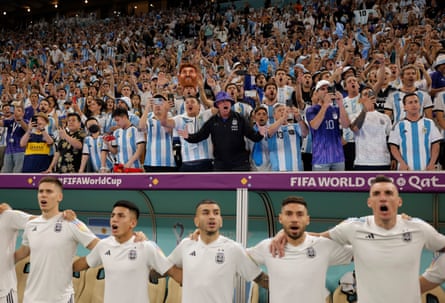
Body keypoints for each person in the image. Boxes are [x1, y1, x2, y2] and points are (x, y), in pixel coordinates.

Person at [270, 175, 445, 303]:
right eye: (376, 194)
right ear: (369, 202)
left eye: (388, 193)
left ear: (399, 201)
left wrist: (432, 276)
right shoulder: (354, 227)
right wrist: (284, 233)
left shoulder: (418, 228)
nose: (383, 197)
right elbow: (317, 238)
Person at [73, 200, 182, 303]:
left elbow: (172, 271)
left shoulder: (146, 246)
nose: (114, 219)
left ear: (132, 223)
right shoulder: (103, 245)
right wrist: (61, 266)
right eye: (112, 215)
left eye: (121, 216)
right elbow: (83, 263)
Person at [247, 196, 352, 303]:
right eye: (288, 214)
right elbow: (241, 258)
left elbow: (360, 249)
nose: (294, 219)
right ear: (280, 218)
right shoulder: (268, 246)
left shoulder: (324, 245)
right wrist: (260, 278)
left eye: (300, 214)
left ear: (307, 219)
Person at [14, 177, 99, 303]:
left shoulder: (72, 223)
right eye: (41, 191)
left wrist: (84, 262)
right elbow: (24, 251)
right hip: (31, 298)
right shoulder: (31, 225)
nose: (43, 195)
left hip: (60, 298)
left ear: (59, 197)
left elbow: (101, 247)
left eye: (49, 191)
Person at [167, 199, 268, 303]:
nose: (211, 216)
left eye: (216, 213)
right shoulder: (186, 245)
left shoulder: (233, 249)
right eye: (205, 213)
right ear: (196, 221)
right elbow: (163, 266)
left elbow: (259, 278)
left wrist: (282, 289)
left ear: (221, 221)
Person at [178, 91, 265, 171]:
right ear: (218, 105)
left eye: (227, 101)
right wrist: (188, 137)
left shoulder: (240, 118)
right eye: (222, 102)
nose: (225, 103)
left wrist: (260, 134)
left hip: (240, 164)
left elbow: (253, 136)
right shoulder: (212, 121)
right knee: (220, 188)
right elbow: (200, 136)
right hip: (220, 165)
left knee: (241, 188)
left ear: (231, 104)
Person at [388, 93, 442, 171]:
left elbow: (436, 145)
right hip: (405, 169)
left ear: (420, 105)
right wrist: (402, 163)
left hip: (426, 168)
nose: (414, 105)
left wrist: (432, 163)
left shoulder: (429, 123)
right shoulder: (398, 125)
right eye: (410, 102)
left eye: (416, 102)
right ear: (404, 107)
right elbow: (393, 147)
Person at [306, 80, 350, 171]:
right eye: (322, 89)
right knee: (320, 185)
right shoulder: (311, 110)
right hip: (320, 157)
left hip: (338, 157)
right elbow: (315, 126)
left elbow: (346, 125)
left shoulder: (336, 109)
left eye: (328, 89)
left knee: (339, 185)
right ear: (316, 93)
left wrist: (341, 104)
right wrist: (325, 105)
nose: (326, 91)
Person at [350, 87, 392, 170]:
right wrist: (365, 109)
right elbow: (355, 128)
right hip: (362, 162)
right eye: (365, 94)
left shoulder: (385, 117)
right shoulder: (354, 116)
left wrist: (393, 158)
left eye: (371, 94)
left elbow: (390, 139)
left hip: (383, 161)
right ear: (360, 100)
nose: (369, 96)